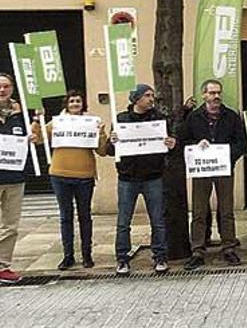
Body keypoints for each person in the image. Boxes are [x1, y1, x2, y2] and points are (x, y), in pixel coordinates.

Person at [33, 90, 109, 270]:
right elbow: (38, 139)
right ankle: (68, 256)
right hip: (60, 175)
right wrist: (37, 120)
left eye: (78, 101)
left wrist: (101, 135)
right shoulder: (57, 122)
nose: (75, 104)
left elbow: (102, 151)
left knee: (85, 216)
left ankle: (87, 255)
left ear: (83, 104)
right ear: (66, 104)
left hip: (84, 176)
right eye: (72, 101)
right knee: (66, 217)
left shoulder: (92, 122)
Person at [107, 84, 177, 275]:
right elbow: (110, 150)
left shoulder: (159, 119)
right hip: (127, 178)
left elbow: (169, 143)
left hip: (153, 177)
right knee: (123, 221)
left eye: (152, 95)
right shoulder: (121, 119)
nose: (151, 98)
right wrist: (112, 141)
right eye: (147, 95)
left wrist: (172, 143)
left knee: (157, 220)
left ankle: (160, 257)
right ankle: (122, 259)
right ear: (136, 98)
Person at [179, 79, 247, 271]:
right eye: (211, 93)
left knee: (226, 210)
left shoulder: (231, 116)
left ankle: (229, 247)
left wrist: (227, 155)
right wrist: (196, 146)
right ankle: (198, 250)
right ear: (204, 95)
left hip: (224, 168)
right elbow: (183, 140)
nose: (215, 96)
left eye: (218, 92)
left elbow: (241, 142)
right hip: (202, 169)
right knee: (199, 210)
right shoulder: (194, 117)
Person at [0, 72, 36, 284]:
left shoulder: (21, 116)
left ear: (12, 89)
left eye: (6, 86)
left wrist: (32, 137)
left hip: (14, 178)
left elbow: (34, 140)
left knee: (10, 226)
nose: (2, 90)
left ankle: (3, 266)